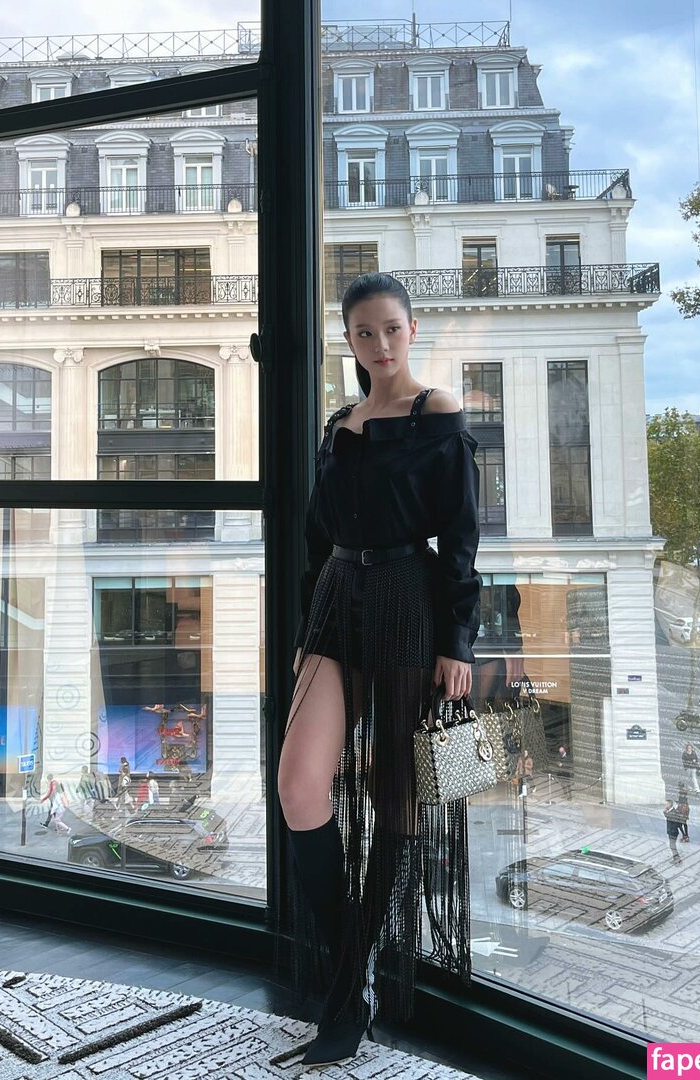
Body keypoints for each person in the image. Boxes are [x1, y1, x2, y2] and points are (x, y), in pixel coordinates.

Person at [273, 273, 482, 1068]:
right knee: (300, 787)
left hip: (406, 602)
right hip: (337, 600)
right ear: (349, 340)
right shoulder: (340, 424)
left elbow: (461, 536)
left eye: (392, 328)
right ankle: (346, 977)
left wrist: (457, 642)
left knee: (398, 799)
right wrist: (308, 628)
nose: (381, 344)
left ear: (412, 329)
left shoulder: (438, 413)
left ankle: (350, 983)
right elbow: (316, 534)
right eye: (365, 332)